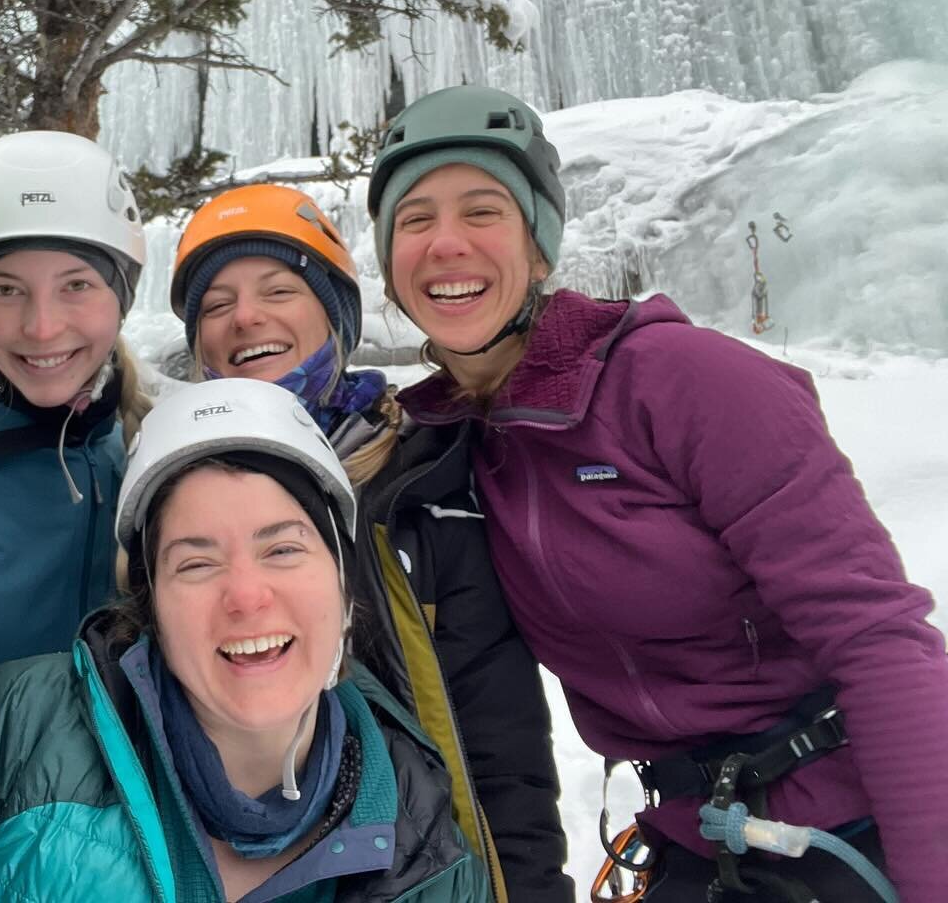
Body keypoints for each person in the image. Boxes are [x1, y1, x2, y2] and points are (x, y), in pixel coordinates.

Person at [368, 83, 948, 902]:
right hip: (699, 847)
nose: (445, 244)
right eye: (414, 220)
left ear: (539, 246)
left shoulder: (681, 380)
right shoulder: (451, 447)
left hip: (853, 833)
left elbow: (882, 641)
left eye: (483, 210)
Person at [0, 379, 492, 903]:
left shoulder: (424, 847)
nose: (246, 596)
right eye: (196, 563)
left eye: (282, 549)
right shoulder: (5, 732)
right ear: (151, 606)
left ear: (344, 585)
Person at [173, 186, 572, 902]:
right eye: (214, 304)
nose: (245, 317)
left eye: (278, 289)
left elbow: (499, 744)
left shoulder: (430, 486)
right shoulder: (167, 504)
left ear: (334, 314)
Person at [0, 129, 151, 674]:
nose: (42, 327)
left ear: (120, 299)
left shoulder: (134, 436)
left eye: (76, 285)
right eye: (5, 289)